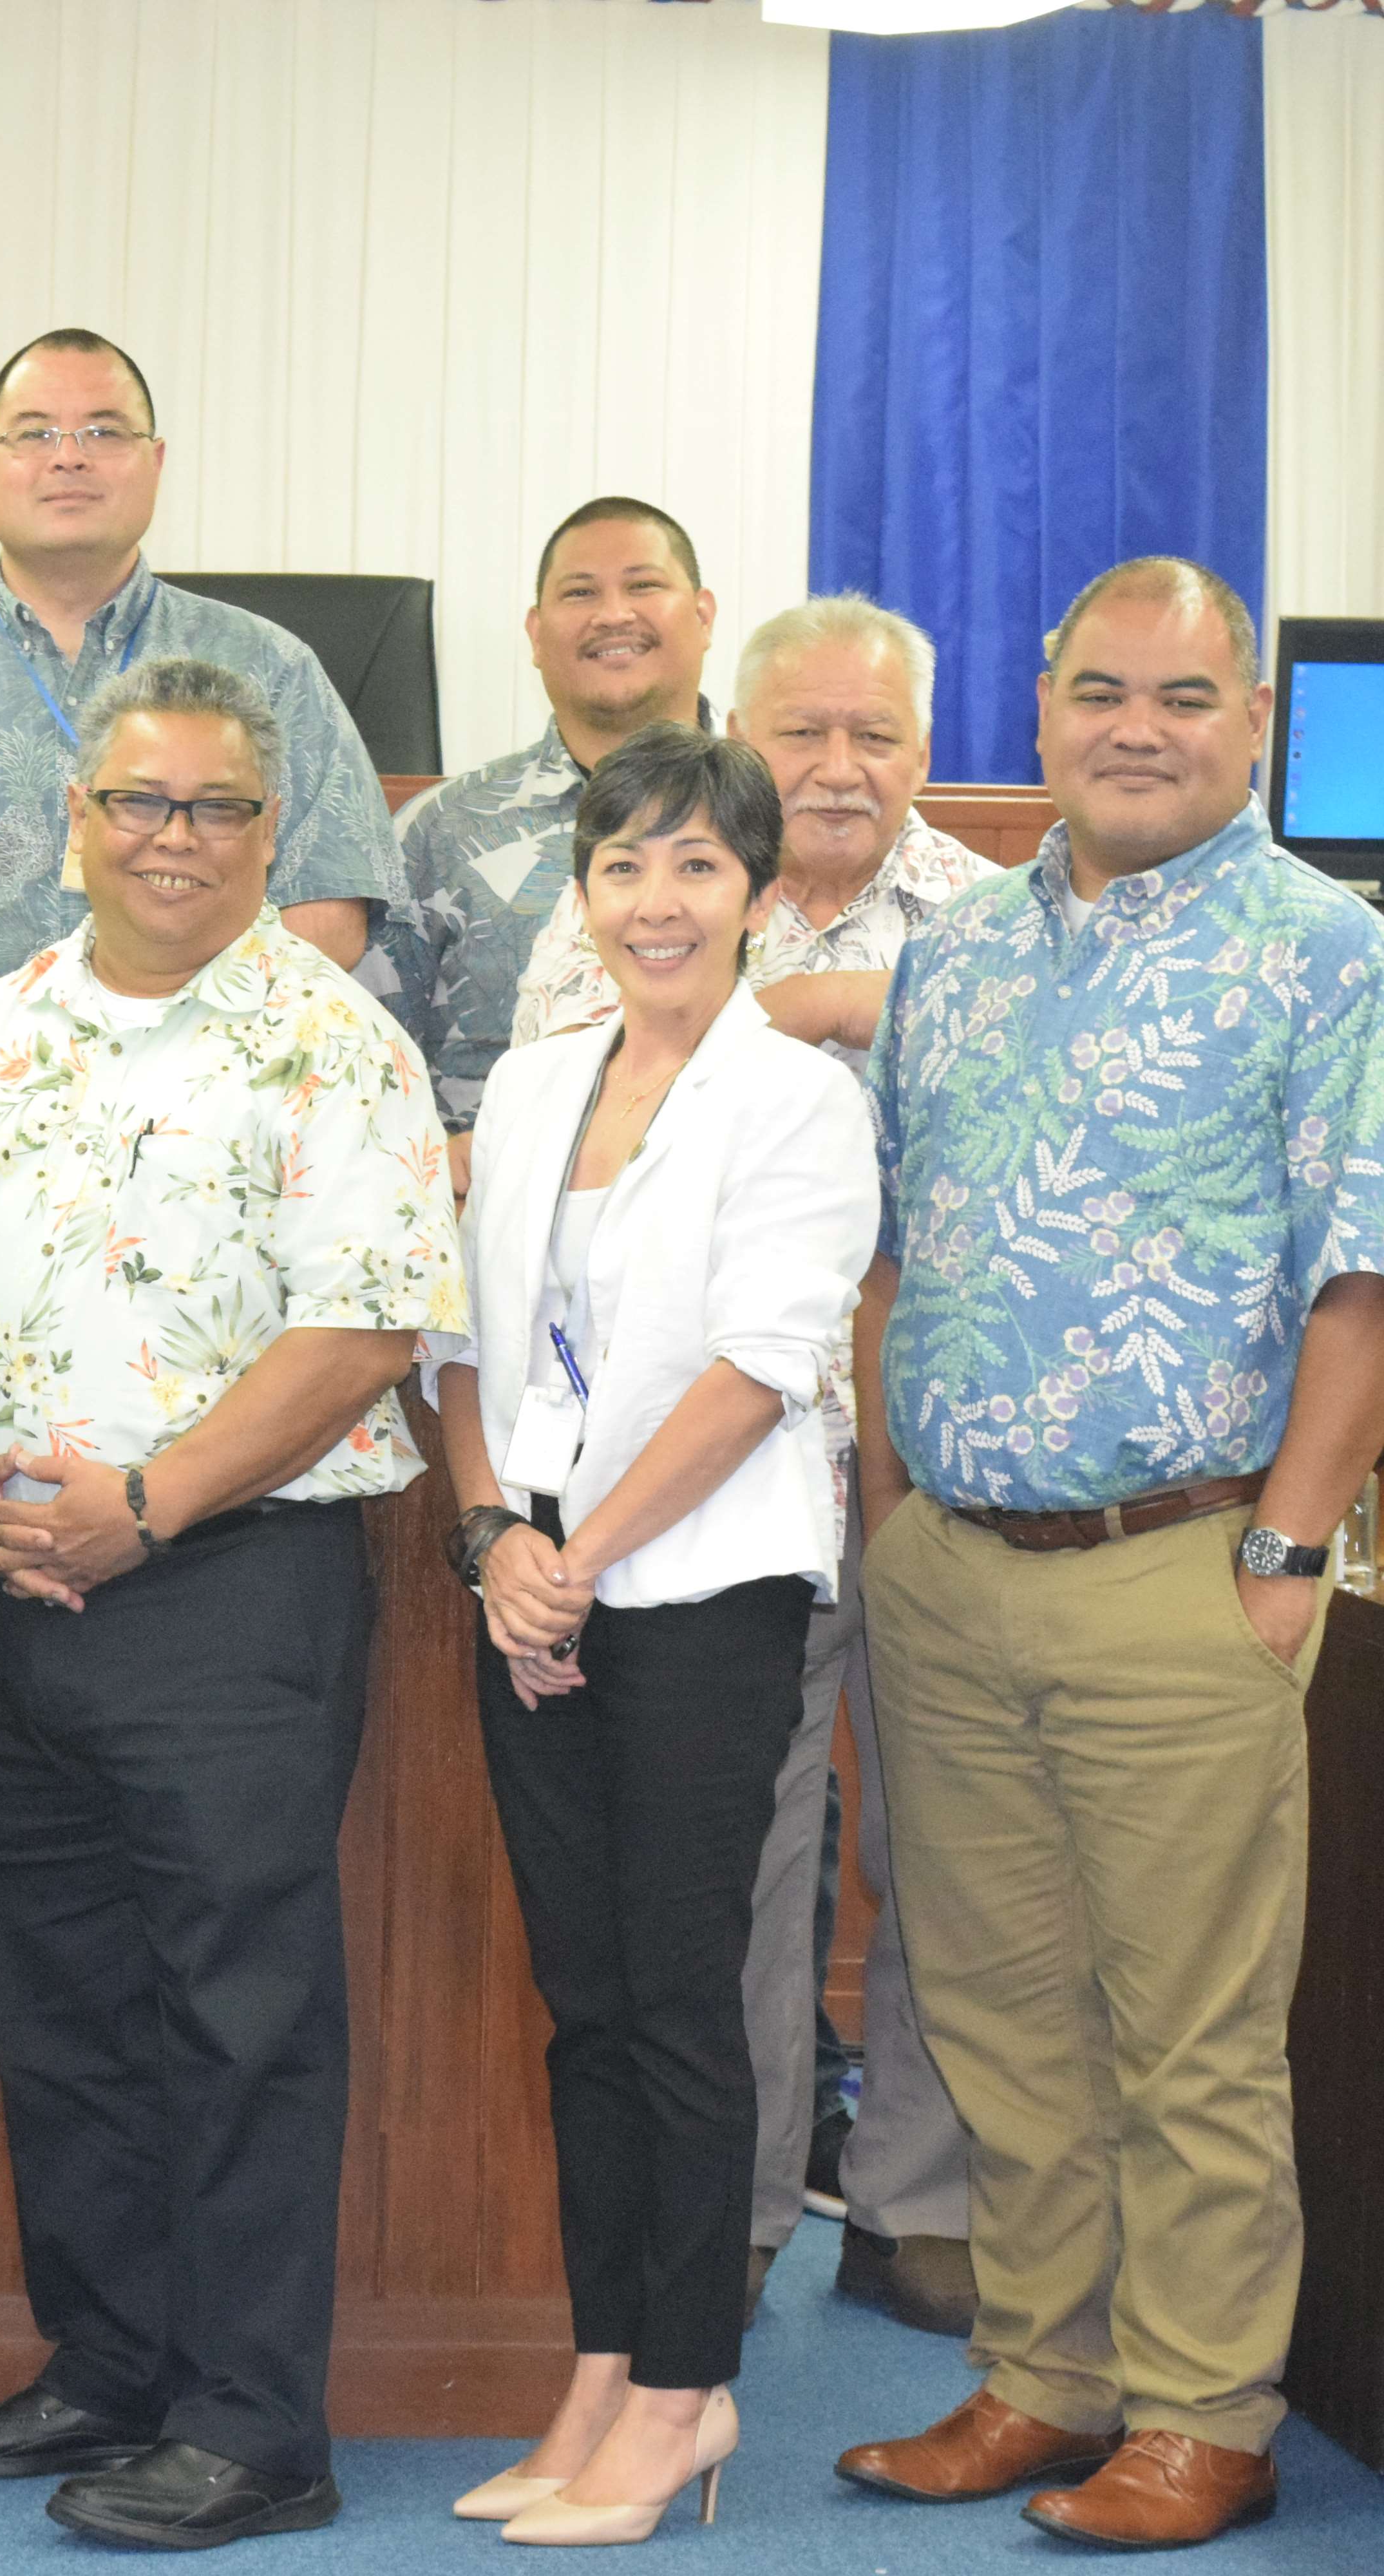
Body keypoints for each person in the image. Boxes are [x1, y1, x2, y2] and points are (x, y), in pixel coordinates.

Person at [837, 559, 1384, 2553]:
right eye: (1093, 691)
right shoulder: (956, 954)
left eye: (1178, 693)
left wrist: (1283, 1548)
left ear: (1247, 716)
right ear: (1037, 706)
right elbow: (895, 1249)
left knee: (1186, 2025)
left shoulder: (1325, 951)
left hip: (1184, 1561)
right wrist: (893, 1515)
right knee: (996, 2008)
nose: (1131, 728)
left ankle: (1199, 2411)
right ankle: (1044, 2374)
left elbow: (1362, 1278)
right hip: (951, 1568)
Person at [0, 657, 464, 2550]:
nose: (169, 837)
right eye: (135, 800)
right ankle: (109, 2364)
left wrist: (147, 1502)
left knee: (236, 2014)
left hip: (229, 1588)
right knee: (55, 2004)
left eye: (215, 807)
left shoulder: (332, 1040)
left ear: (270, 826)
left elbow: (366, 1319)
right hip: (12, 1591)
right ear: (74, 817)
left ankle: (250, 2427)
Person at [505, 597, 996, 2340]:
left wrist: (855, 1004)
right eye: (808, 733)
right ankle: (742, 2216)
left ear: (928, 752)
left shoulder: (995, 927)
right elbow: (548, 1210)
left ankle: (918, 2198)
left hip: (935, 1459)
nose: (843, 767)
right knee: (746, 1869)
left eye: (881, 735)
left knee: (942, 1848)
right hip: (705, 1494)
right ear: (746, 731)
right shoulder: (626, 910)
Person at [430, 724, 877, 2548]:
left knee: (686, 2009)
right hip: (529, 1591)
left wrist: (581, 1556)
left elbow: (765, 1371)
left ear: (758, 897)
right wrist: (493, 1547)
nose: (658, 900)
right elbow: (457, 1342)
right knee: (586, 2008)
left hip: (702, 1599)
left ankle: (690, 2391)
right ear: (585, 891)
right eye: (624, 866)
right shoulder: (536, 1087)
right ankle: (604, 2365)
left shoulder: (797, 1100)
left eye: (698, 866)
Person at [0, 328, 401, 1072]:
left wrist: (170, 1060)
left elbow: (330, 903)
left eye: (104, 431)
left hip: (209, 1113)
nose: (70, 455)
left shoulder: (272, 669)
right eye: (35, 434)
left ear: (155, 463)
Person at [366, 496, 716, 1171]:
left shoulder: (774, 819)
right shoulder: (439, 832)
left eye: (643, 585)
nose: (613, 614)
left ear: (703, 616)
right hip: (491, 1220)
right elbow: (356, 1060)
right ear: (534, 633)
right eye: (580, 592)